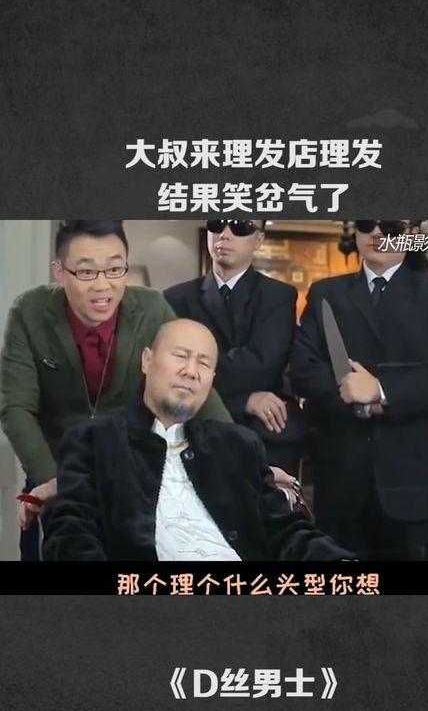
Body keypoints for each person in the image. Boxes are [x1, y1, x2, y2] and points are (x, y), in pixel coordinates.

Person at [0, 220, 230, 561]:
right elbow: (16, 408)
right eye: (86, 272)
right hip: (54, 469)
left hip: (128, 472)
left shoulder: (151, 308)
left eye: (114, 269)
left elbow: (194, 387)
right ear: (60, 272)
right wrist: (57, 480)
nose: (103, 286)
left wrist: (245, 462)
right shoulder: (29, 311)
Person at [42, 319, 354, 562]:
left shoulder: (238, 446)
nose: (191, 371)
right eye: (181, 356)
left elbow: (286, 531)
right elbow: (71, 532)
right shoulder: (94, 441)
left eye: (204, 364)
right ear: (147, 360)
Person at [290, 220, 428, 561]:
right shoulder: (327, 293)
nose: (376, 233)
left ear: (414, 234)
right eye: (366, 223)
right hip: (341, 474)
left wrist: (381, 391)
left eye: (389, 225)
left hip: (413, 479)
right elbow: (303, 370)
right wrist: (352, 395)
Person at [164, 219, 307, 475]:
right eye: (217, 224)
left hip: (264, 430)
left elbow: (263, 365)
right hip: (196, 428)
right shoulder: (175, 298)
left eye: (240, 227)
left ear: (259, 240)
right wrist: (244, 401)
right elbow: (175, 371)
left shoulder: (279, 295)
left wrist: (203, 365)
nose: (225, 235)